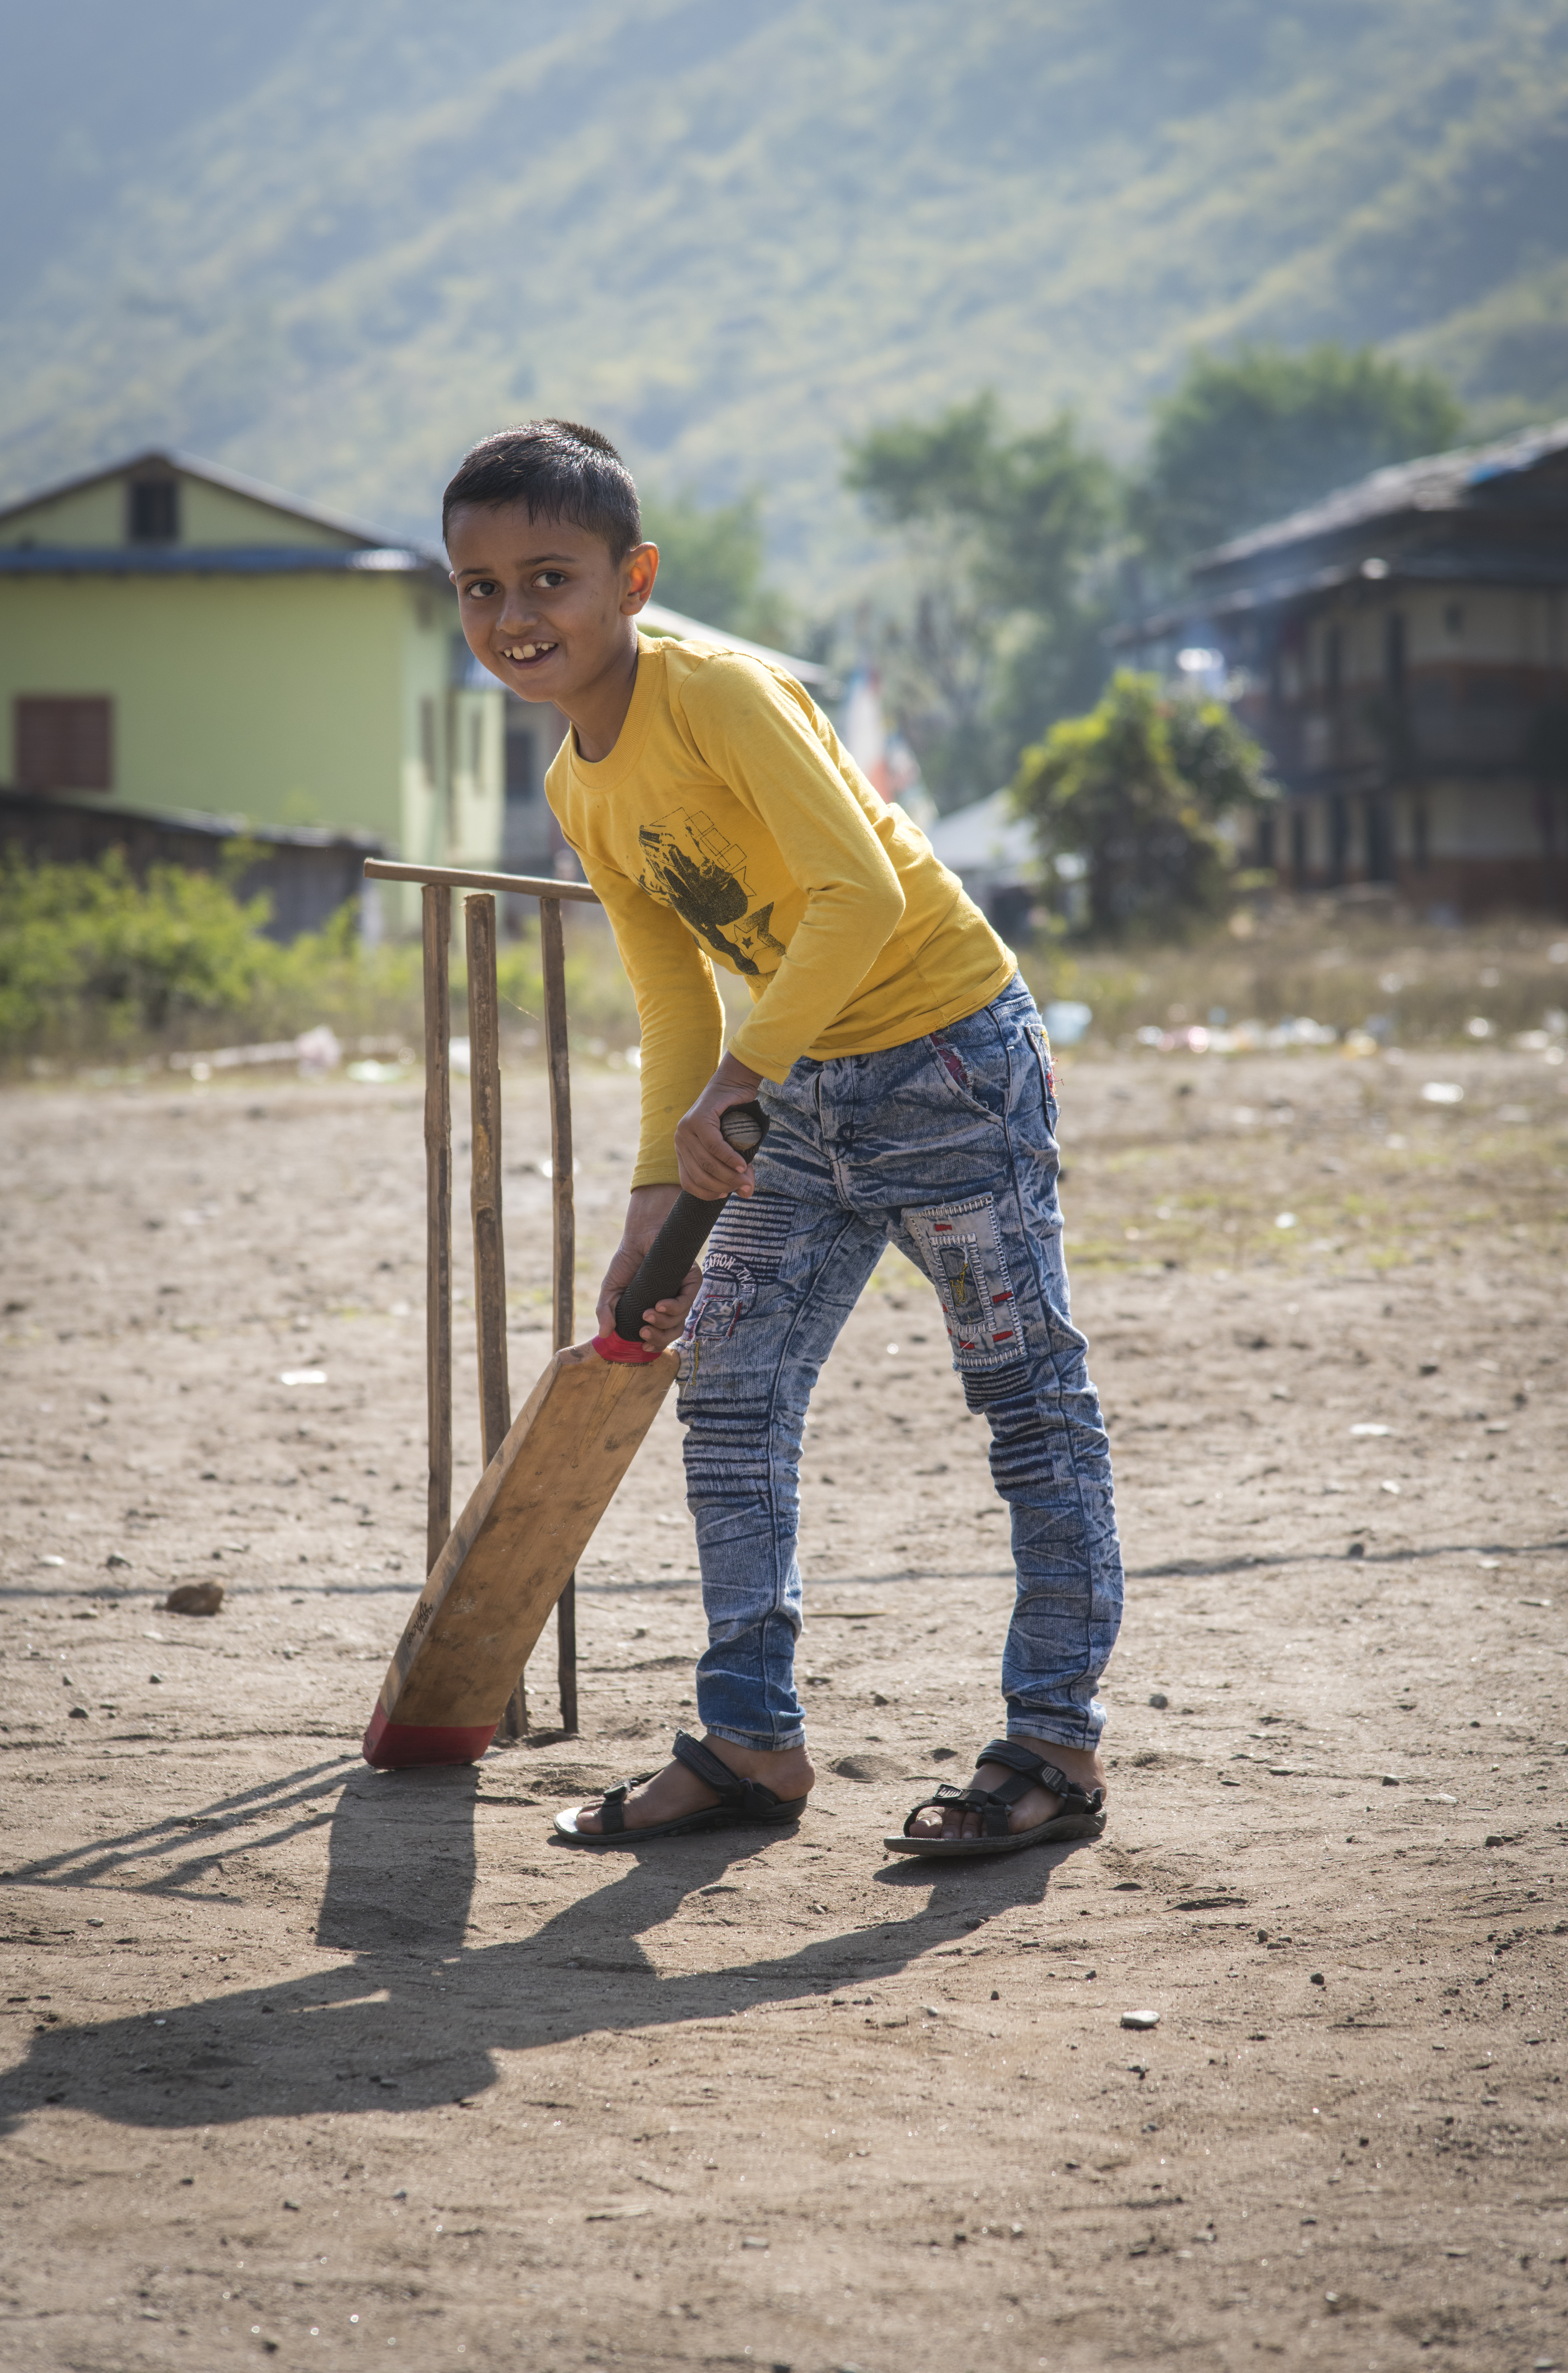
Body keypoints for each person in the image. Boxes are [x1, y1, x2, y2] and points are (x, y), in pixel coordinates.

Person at [443, 419, 1121, 1859]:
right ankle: (751, 1743)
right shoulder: (578, 783)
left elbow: (860, 896)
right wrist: (650, 1201)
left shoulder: (722, 696)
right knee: (731, 1398)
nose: (513, 617)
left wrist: (741, 1080)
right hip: (794, 1094)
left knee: (1026, 1406)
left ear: (634, 579)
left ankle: (1052, 1748)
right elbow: (669, 994)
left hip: (950, 1062)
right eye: (480, 587)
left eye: (548, 579)